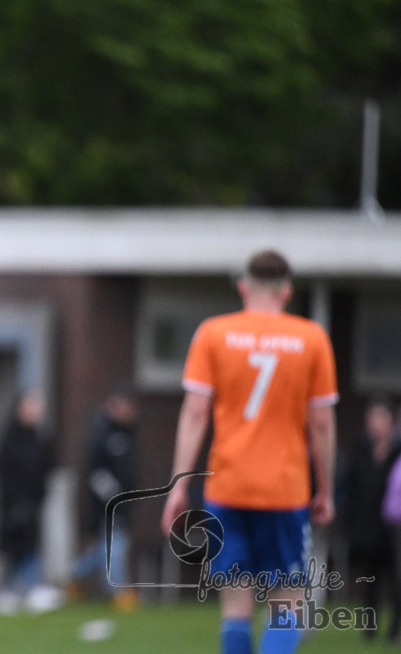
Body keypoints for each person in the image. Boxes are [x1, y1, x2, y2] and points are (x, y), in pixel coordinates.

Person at [160, 250, 338, 654]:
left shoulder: (213, 333)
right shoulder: (311, 338)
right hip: (286, 489)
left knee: (235, 604)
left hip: (227, 486)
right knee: (285, 605)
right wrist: (324, 488)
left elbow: (194, 412)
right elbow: (323, 422)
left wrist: (178, 487)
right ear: (286, 292)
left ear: (244, 288)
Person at [0, 389, 61, 615]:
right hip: (13, 505)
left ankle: (19, 589)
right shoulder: (9, 439)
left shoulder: (41, 438)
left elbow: (48, 468)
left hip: (34, 504)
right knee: (16, 549)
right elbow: (1, 471)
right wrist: (13, 501)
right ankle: (20, 589)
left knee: (29, 546)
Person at [69, 386, 138, 611]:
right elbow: (95, 472)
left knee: (104, 548)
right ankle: (119, 592)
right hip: (109, 505)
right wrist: (112, 497)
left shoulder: (128, 433)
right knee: (114, 546)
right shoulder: (103, 434)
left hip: (122, 503)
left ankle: (74, 576)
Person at [343, 395, 401, 643]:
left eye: (381, 418)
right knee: (369, 581)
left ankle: (394, 630)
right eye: (372, 418)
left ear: (391, 422)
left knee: (396, 580)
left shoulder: (397, 454)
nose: (375, 423)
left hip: (393, 527)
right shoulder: (360, 453)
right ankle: (369, 630)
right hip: (367, 529)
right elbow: (352, 492)